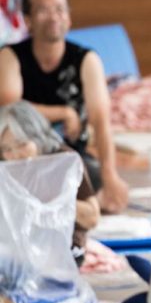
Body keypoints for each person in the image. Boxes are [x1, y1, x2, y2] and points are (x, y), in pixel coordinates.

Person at [0, 0, 128, 213]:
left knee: (94, 178)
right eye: (43, 10)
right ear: (28, 20)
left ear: (68, 17)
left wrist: (110, 175)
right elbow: (10, 106)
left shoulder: (86, 59)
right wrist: (64, 112)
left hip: (67, 158)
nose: (53, 16)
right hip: (18, 159)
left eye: (59, 9)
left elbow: (101, 121)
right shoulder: (10, 56)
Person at [0, 100, 99, 267]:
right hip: (15, 250)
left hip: (62, 249)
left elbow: (92, 218)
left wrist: (50, 202)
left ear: (38, 137)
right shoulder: (5, 166)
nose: (15, 155)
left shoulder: (63, 161)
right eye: (6, 149)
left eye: (22, 144)